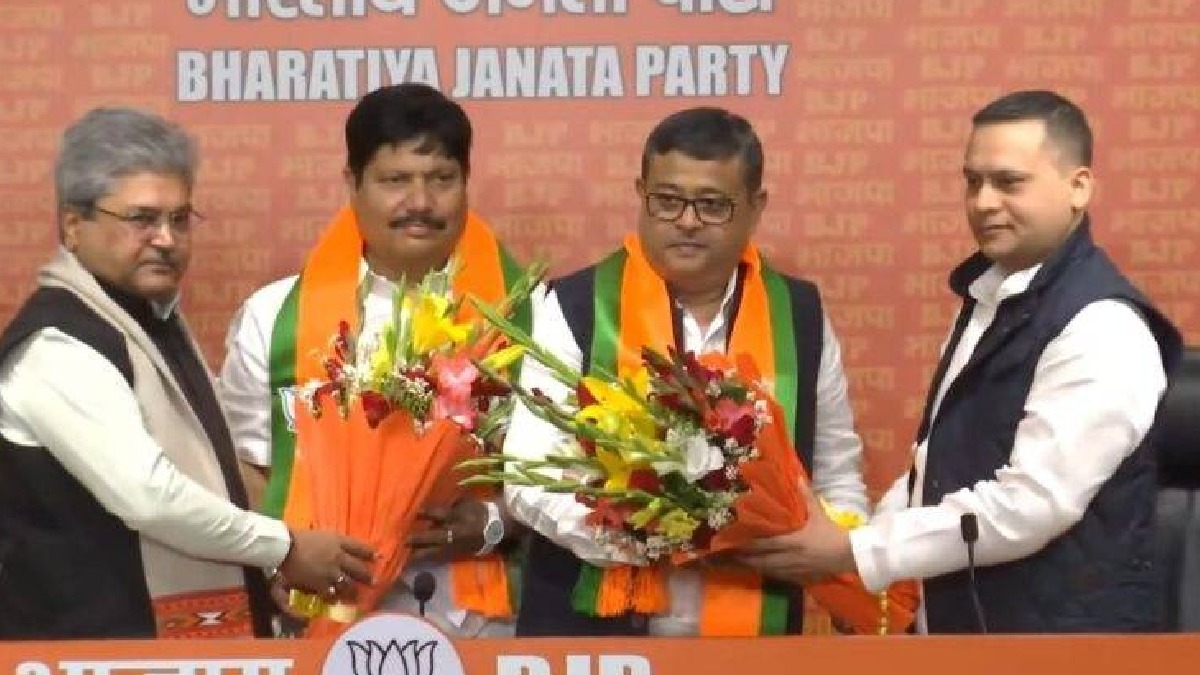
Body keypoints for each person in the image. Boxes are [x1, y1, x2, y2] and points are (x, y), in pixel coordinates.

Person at [738, 90, 1183, 633]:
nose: (984, 202)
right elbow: (934, 466)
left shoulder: (1101, 325)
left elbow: (1031, 505)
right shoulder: (989, 298)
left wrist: (857, 551)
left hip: (1063, 652)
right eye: (973, 182)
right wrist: (860, 573)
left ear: (1079, 187)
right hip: (969, 640)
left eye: (1009, 182)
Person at [0, 107, 375, 640]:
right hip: (84, 653)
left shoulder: (151, 323)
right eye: (141, 219)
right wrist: (285, 548)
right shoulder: (57, 344)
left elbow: (218, 474)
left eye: (179, 219)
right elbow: (149, 496)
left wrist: (265, 569)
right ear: (73, 226)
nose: (166, 239)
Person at [503, 106, 869, 636]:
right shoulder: (574, 305)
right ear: (641, 195)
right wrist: (647, 535)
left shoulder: (800, 314)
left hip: (753, 633)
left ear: (755, 207)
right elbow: (527, 474)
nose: (688, 221)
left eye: (712, 205)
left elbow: (835, 473)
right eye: (668, 201)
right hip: (595, 633)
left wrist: (841, 567)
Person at [219, 83, 531, 637]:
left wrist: (490, 522)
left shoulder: (527, 318)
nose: (420, 202)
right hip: (318, 610)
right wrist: (278, 558)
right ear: (353, 184)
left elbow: (560, 472)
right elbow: (249, 466)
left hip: (477, 617)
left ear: (466, 182)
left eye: (441, 179)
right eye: (395, 180)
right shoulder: (273, 317)